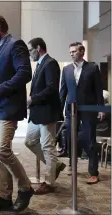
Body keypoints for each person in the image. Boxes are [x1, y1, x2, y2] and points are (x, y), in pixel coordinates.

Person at [0, 14, 34, 213]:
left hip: (7, 107)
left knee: (2, 150)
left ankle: (25, 187)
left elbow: (25, 73)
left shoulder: (15, 44)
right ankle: (4, 197)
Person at [24, 37, 66, 194]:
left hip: (48, 112)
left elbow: (52, 88)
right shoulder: (40, 64)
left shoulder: (50, 63)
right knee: (29, 141)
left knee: (48, 146)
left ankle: (49, 182)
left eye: (30, 51)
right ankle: (56, 165)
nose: (29, 54)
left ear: (38, 47)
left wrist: (32, 99)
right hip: (37, 112)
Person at [59, 42, 104, 184]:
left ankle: (93, 172)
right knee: (71, 138)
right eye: (70, 51)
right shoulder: (66, 70)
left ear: (82, 51)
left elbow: (98, 90)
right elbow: (63, 92)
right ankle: (72, 165)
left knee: (90, 139)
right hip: (70, 110)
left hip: (88, 110)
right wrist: (57, 110)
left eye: (74, 51)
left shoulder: (93, 68)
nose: (71, 53)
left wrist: (101, 109)